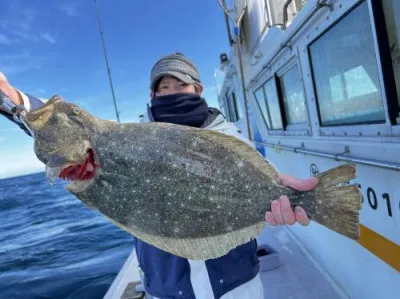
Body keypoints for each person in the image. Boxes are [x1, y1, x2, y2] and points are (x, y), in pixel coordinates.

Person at [0, 53, 318, 299]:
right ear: (152, 95)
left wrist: (280, 194)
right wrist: (11, 98)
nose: (172, 93)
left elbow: (262, 181)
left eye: (180, 85)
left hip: (237, 284)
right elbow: (68, 129)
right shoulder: (130, 138)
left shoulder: (231, 137)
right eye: (163, 87)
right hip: (168, 287)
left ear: (198, 88)